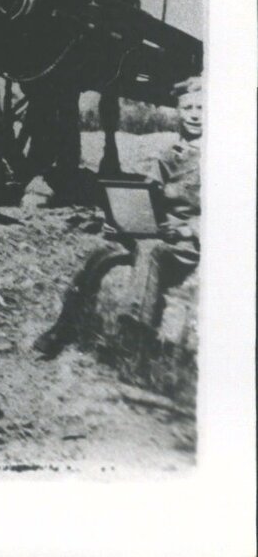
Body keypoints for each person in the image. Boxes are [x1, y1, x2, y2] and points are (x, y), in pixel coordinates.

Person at [34, 77, 202, 359]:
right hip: (160, 232)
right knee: (102, 252)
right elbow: (149, 195)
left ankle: (133, 331)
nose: (195, 115)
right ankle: (65, 326)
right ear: (179, 112)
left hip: (186, 243)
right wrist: (123, 219)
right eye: (188, 109)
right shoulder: (169, 155)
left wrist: (189, 231)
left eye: (201, 108)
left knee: (150, 250)